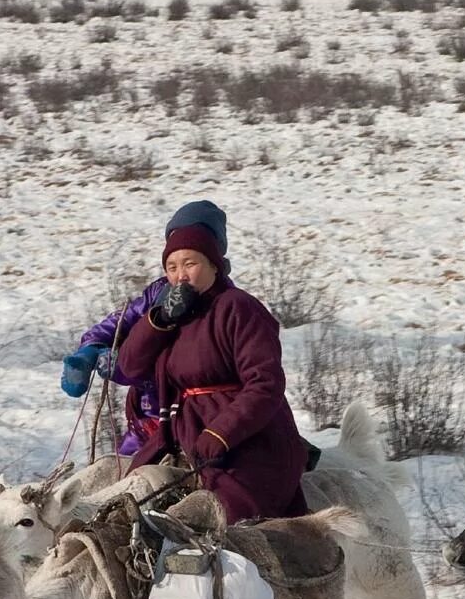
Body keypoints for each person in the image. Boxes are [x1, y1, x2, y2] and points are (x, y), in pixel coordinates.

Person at [115, 216, 308, 523]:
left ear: (214, 265)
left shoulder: (237, 307)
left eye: (189, 263)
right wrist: (158, 321)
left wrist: (221, 432)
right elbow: (129, 366)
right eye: (172, 267)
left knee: (228, 516)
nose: (180, 276)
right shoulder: (173, 316)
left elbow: (265, 384)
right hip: (180, 433)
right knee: (124, 508)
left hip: (245, 440)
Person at [61, 200, 231, 456]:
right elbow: (121, 321)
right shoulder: (159, 291)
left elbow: (183, 366)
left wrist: (125, 368)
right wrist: (90, 348)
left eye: (191, 259)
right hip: (143, 423)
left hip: (189, 424)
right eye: (174, 259)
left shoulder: (225, 306)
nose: (181, 273)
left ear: (212, 256)